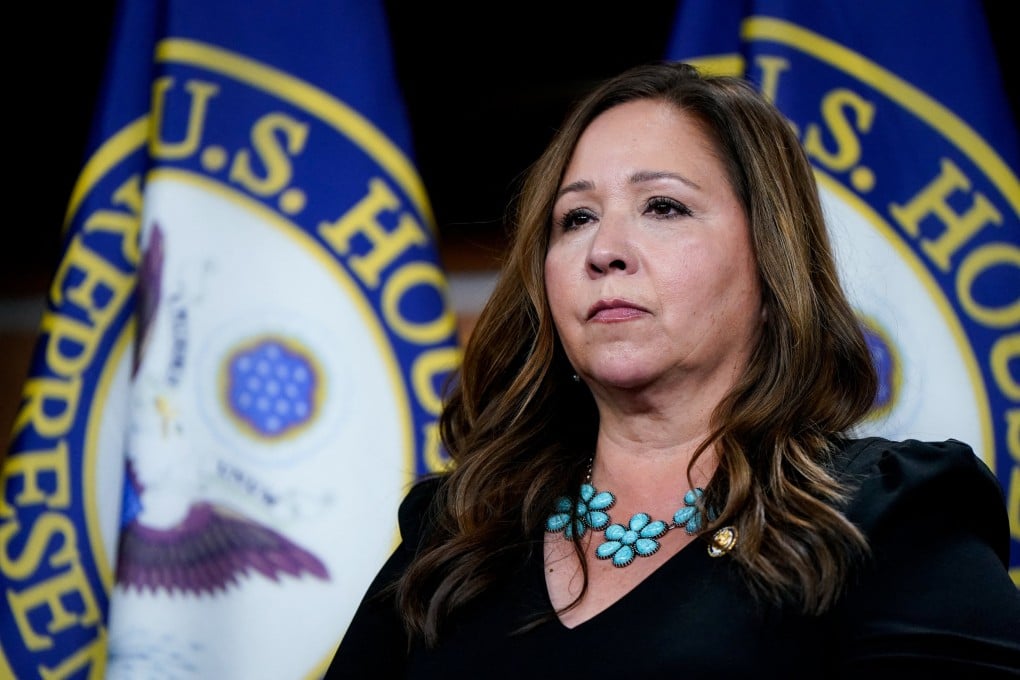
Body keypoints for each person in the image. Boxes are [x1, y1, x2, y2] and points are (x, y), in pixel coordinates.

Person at [326, 61, 1020, 677]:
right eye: (575, 218)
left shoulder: (888, 518)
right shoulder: (457, 537)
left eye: (663, 207)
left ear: (771, 270)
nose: (605, 250)